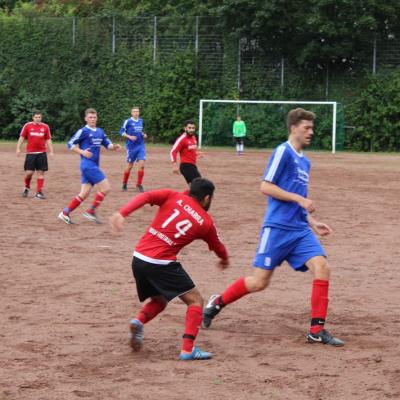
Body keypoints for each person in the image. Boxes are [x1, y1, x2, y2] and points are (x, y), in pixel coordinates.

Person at [203, 108, 344, 347]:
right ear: (293, 128)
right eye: (306, 128)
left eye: (312, 128)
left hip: (299, 230)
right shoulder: (283, 152)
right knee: (259, 282)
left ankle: (316, 330)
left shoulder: (305, 162)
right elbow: (266, 187)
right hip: (277, 228)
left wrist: (312, 222)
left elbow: (299, 196)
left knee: (322, 267)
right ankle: (218, 302)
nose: (311, 132)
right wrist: (300, 200)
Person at [110, 178, 229, 360]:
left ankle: (138, 321)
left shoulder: (171, 196)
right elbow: (218, 246)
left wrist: (122, 213)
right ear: (207, 198)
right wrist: (224, 259)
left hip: (139, 258)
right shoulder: (206, 223)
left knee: (159, 300)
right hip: (160, 263)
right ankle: (187, 350)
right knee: (195, 301)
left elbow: (146, 196)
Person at [58, 108, 120, 224]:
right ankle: (91, 211)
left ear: (97, 118)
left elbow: (108, 144)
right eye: (90, 117)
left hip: (92, 165)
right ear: (86, 119)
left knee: (84, 193)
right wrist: (82, 152)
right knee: (106, 188)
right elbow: (70, 144)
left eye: (94, 117)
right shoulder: (83, 131)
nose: (92, 119)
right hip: (88, 165)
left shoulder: (100, 131)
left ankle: (65, 213)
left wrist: (114, 146)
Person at [16, 110, 54, 199]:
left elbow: (48, 139)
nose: (38, 119)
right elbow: (21, 138)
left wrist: (51, 151)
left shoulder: (45, 127)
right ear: (33, 117)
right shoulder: (27, 126)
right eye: (36, 117)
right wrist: (18, 148)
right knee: (29, 173)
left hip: (42, 153)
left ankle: (39, 192)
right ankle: (27, 187)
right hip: (31, 153)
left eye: (39, 117)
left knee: (41, 173)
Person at [120, 106, 147, 193]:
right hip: (131, 147)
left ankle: (139, 185)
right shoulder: (128, 121)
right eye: (134, 111)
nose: (136, 113)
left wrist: (143, 134)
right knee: (130, 166)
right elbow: (121, 132)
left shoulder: (141, 121)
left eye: (137, 111)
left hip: (140, 145)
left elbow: (140, 131)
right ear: (131, 113)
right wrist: (129, 136)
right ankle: (124, 183)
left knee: (142, 165)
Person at [170, 120, 202, 185]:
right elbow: (173, 151)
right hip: (186, 166)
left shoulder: (193, 137)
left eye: (193, 128)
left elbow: (189, 150)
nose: (191, 130)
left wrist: (197, 154)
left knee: (194, 188)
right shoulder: (182, 139)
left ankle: (189, 195)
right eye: (189, 128)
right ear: (185, 128)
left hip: (192, 165)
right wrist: (174, 165)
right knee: (200, 185)